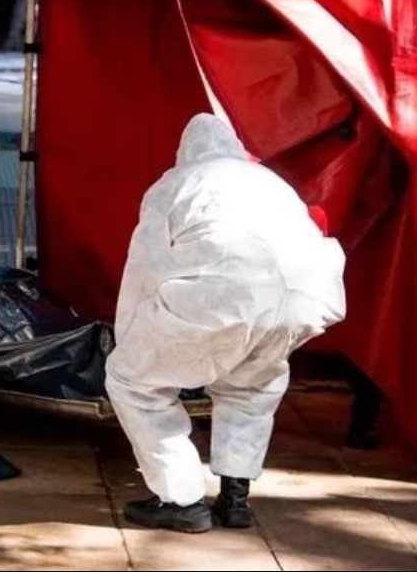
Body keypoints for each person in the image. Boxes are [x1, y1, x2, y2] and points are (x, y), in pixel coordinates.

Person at [105, 113, 347, 533]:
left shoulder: (176, 184)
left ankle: (180, 499)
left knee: (132, 382)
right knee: (250, 387)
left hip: (227, 292)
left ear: (185, 152)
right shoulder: (273, 184)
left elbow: (146, 268)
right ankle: (235, 498)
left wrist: (129, 338)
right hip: (306, 299)